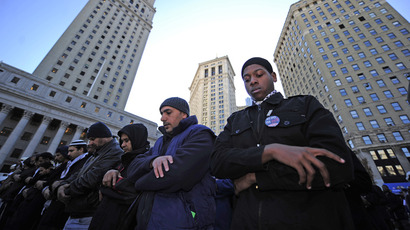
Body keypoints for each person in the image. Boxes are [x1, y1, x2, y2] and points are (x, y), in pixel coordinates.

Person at [210, 57, 354, 229]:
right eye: (246, 79)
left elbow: (336, 166)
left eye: (259, 74)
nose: (253, 81)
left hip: (307, 219)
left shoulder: (305, 105)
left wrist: (255, 178)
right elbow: (217, 162)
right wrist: (268, 152)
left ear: (273, 76)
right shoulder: (235, 120)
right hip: (247, 221)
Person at [127, 97, 216, 230]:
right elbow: (132, 167)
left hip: (184, 223)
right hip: (147, 222)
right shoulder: (159, 142)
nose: (162, 118)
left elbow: (177, 175)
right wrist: (152, 161)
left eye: (168, 113)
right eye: (161, 114)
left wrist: (139, 184)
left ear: (184, 114)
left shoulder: (200, 133)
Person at [57, 122, 123, 229]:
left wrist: (66, 191)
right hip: (78, 210)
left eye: (93, 139)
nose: (90, 143)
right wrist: (63, 184)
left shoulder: (115, 152)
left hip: (88, 212)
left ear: (104, 137)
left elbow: (92, 178)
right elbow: (79, 174)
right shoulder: (98, 152)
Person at [89, 123, 150, 230]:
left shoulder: (144, 164)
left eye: (126, 140)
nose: (122, 145)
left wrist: (108, 187)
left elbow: (132, 195)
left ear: (137, 139)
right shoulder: (123, 161)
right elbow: (102, 183)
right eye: (122, 141)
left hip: (120, 222)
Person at [37, 140, 90, 230]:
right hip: (55, 199)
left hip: (63, 202)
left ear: (81, 149)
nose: (68, 154)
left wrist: (57, 185)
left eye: (71, 151)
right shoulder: (72, 162)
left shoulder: (84, 162)